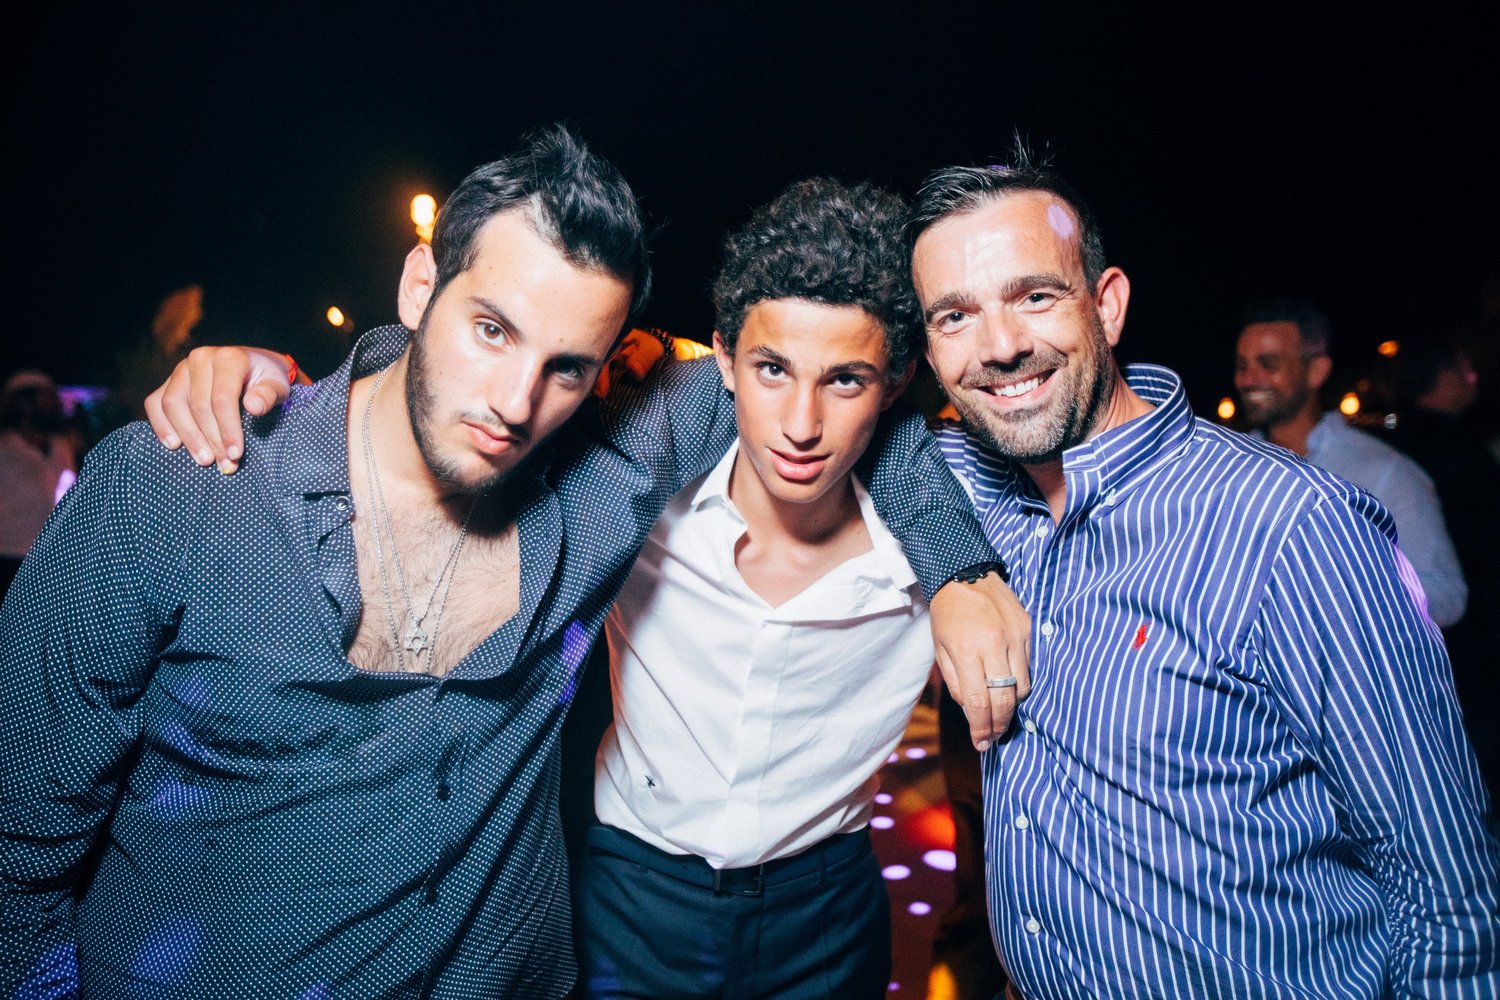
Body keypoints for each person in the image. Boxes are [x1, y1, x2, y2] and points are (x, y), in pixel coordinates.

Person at [0, 128, 1024, 999]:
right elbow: (16, 848)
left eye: (567, 367)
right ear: (420, 286)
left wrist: (958, 571)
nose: (514, 401)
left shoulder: (610, 468)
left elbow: (865, 415)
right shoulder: (176, 487)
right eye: (490, 329)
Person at [907, 155, 1500, 997]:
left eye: (1035, 296)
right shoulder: (971, 491)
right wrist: (953, 572)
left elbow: (1449, 906)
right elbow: (810, 401)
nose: (1000, 347)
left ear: (1107, 304)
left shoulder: (1295, 529)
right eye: (955, 316)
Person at [574, 178, 997, 998]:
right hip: (631, 893)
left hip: (826, 914)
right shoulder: (641, 486)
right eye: (772, 369)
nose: (802, 425)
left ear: (896, 381)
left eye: (845, 380)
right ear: (723, 360)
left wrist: (962, 572)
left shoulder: (939, 529)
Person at [1232, 300, 1468, 626]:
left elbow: (1444, 592)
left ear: (1316, 371)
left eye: (1268, 364)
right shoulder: (1233, 469)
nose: (1248, 379)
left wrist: (1343, 606)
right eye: (1242, 365)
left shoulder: (1382, 471)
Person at [1387, 337, 1500, 813]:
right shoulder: (1456, 449)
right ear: (1445, 378)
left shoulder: (1393, 443)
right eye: (1467, 371)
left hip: (1429, 640)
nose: (1475, 380)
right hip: (1468, 632)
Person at [0, 369, 76, 597]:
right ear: (23, 403)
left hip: (53, 560)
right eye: (46, 398)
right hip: (11, 559)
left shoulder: (61, 446)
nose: (55, 404)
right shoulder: (4, 450)